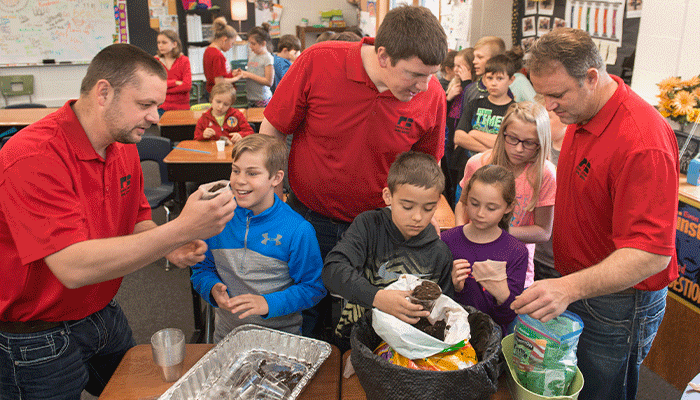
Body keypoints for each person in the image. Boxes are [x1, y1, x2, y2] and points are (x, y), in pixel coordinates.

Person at [0, 43, 235, 399]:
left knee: (142, 392)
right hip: (36, 332)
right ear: (104, 93)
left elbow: (137, 218)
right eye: (144, 105)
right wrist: (181, 228)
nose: (156, 117)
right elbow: (72, 266)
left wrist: (169, 244)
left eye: (157, 105)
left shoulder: (122, 145)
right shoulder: (31, 156)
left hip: (101, 311)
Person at [510, 28, 679, 400]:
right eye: (541, 94)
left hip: (617, 304)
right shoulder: (582, 112)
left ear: (591, 77)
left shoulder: (642, 142)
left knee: (600, 392)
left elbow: (651, 254)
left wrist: (568, 287)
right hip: (579, 284)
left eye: (556, 95)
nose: (548, 106)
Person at [260, 5, 447, 339]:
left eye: (431, 74)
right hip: (308, 215)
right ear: (384, 55)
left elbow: (426, 168)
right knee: (306, 310)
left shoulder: (432, 94)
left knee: (369, 317)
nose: (424, 85)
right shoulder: (319, 61)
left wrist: (423, 209)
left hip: (380, 226)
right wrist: (269, 198)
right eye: (414, 74)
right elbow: (271, 130)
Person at [190, 135, 326, 341]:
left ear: (276, 178)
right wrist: (211, 287)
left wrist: (268, 303)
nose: (240, 180)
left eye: (252, 173)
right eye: (235, 170)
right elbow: (201, 269)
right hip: (227, 337)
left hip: (281, 340)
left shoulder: (298, 230)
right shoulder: (216, 218)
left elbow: (313, 288)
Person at [323, 151, 454, 351]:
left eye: (428, 208)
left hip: (409, 348)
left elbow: (442, 312)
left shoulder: (440, 253)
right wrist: (378, 298)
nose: (418, 217)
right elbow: (333, 270)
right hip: (356, 343)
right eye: (407, 206)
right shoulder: (368, 227)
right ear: (388, 196)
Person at [455, 102, 556, 288]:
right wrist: (461, 235)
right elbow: (462, 204)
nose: (518, 149)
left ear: (541, 143)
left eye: (529, 143)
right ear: (503, 134)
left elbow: (543, 232)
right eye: (513, 139)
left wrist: (495, 232)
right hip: (473, 255)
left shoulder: (545, 174)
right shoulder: (478, 163)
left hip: (514, 266)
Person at [441, 165, 528, 335]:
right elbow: (435, 298)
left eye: (491, 208)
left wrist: (503, 295)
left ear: (508, 207)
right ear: (466, 198)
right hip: (447, 334)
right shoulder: (447, 240)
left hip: (488, 341)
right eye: (474, 204)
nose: (480, 213)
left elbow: (508, 317)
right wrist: (454, 288)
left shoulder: (516, 252)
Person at [452, 54, 516, 201]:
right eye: (489, 78)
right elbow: (459, 137)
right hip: (467, 172)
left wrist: (474, 133)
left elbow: (508, 144)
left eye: (499, 79)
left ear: (511, 80)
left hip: (496, 177)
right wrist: (494, 149)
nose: (493, 83)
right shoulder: (474, 104)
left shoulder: (514, 110)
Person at [532, 94, 566, 281]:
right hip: (533, 249)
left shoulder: (570, 155)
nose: (541, 125)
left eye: (548, 118)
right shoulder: (536, 150)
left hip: (555, 258)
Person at [445, 48, 476, 206]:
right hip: (449, 139)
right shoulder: (454, 84)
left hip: (461, 143)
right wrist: (448, 98)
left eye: (460, 66)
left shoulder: (472, 87)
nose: (455, 70)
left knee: (458, 180)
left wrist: (466, 82)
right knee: (448, 177)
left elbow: (468, 106)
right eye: (455, 66)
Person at [461, 36, 507, 107]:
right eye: (474, 57)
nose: (474, 61)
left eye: (480, 57)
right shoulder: (470, 90)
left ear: (494, 60)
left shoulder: (504, 91)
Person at [236, 24, 274, 107]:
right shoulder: (253, 54)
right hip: (251, 96)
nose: (250, 46)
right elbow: (253, 72)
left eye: (253, 44)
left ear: (263, 44)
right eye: (250, 43)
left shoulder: (268, 58)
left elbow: (269, 82)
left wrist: (249, 75)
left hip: (262, 99)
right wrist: (242, 73)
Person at [155, 29, 192, 113]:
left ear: (174, 44)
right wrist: (175, 83)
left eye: (164, 42)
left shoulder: (184, 60)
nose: (160, 45)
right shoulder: (156, 61)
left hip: (182, 107)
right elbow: (155, 87)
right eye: (158, 42)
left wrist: (164, 88)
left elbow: (187, 86)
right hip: (162, 107)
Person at [203, 17, 241, 93]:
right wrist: (237, 78)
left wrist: (231, 74)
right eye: (232, 43)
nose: (231, 46)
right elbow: (219, 82)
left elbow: (216, 75)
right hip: (220, 93)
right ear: (224, 39)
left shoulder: (208, 50)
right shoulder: (217, 55)